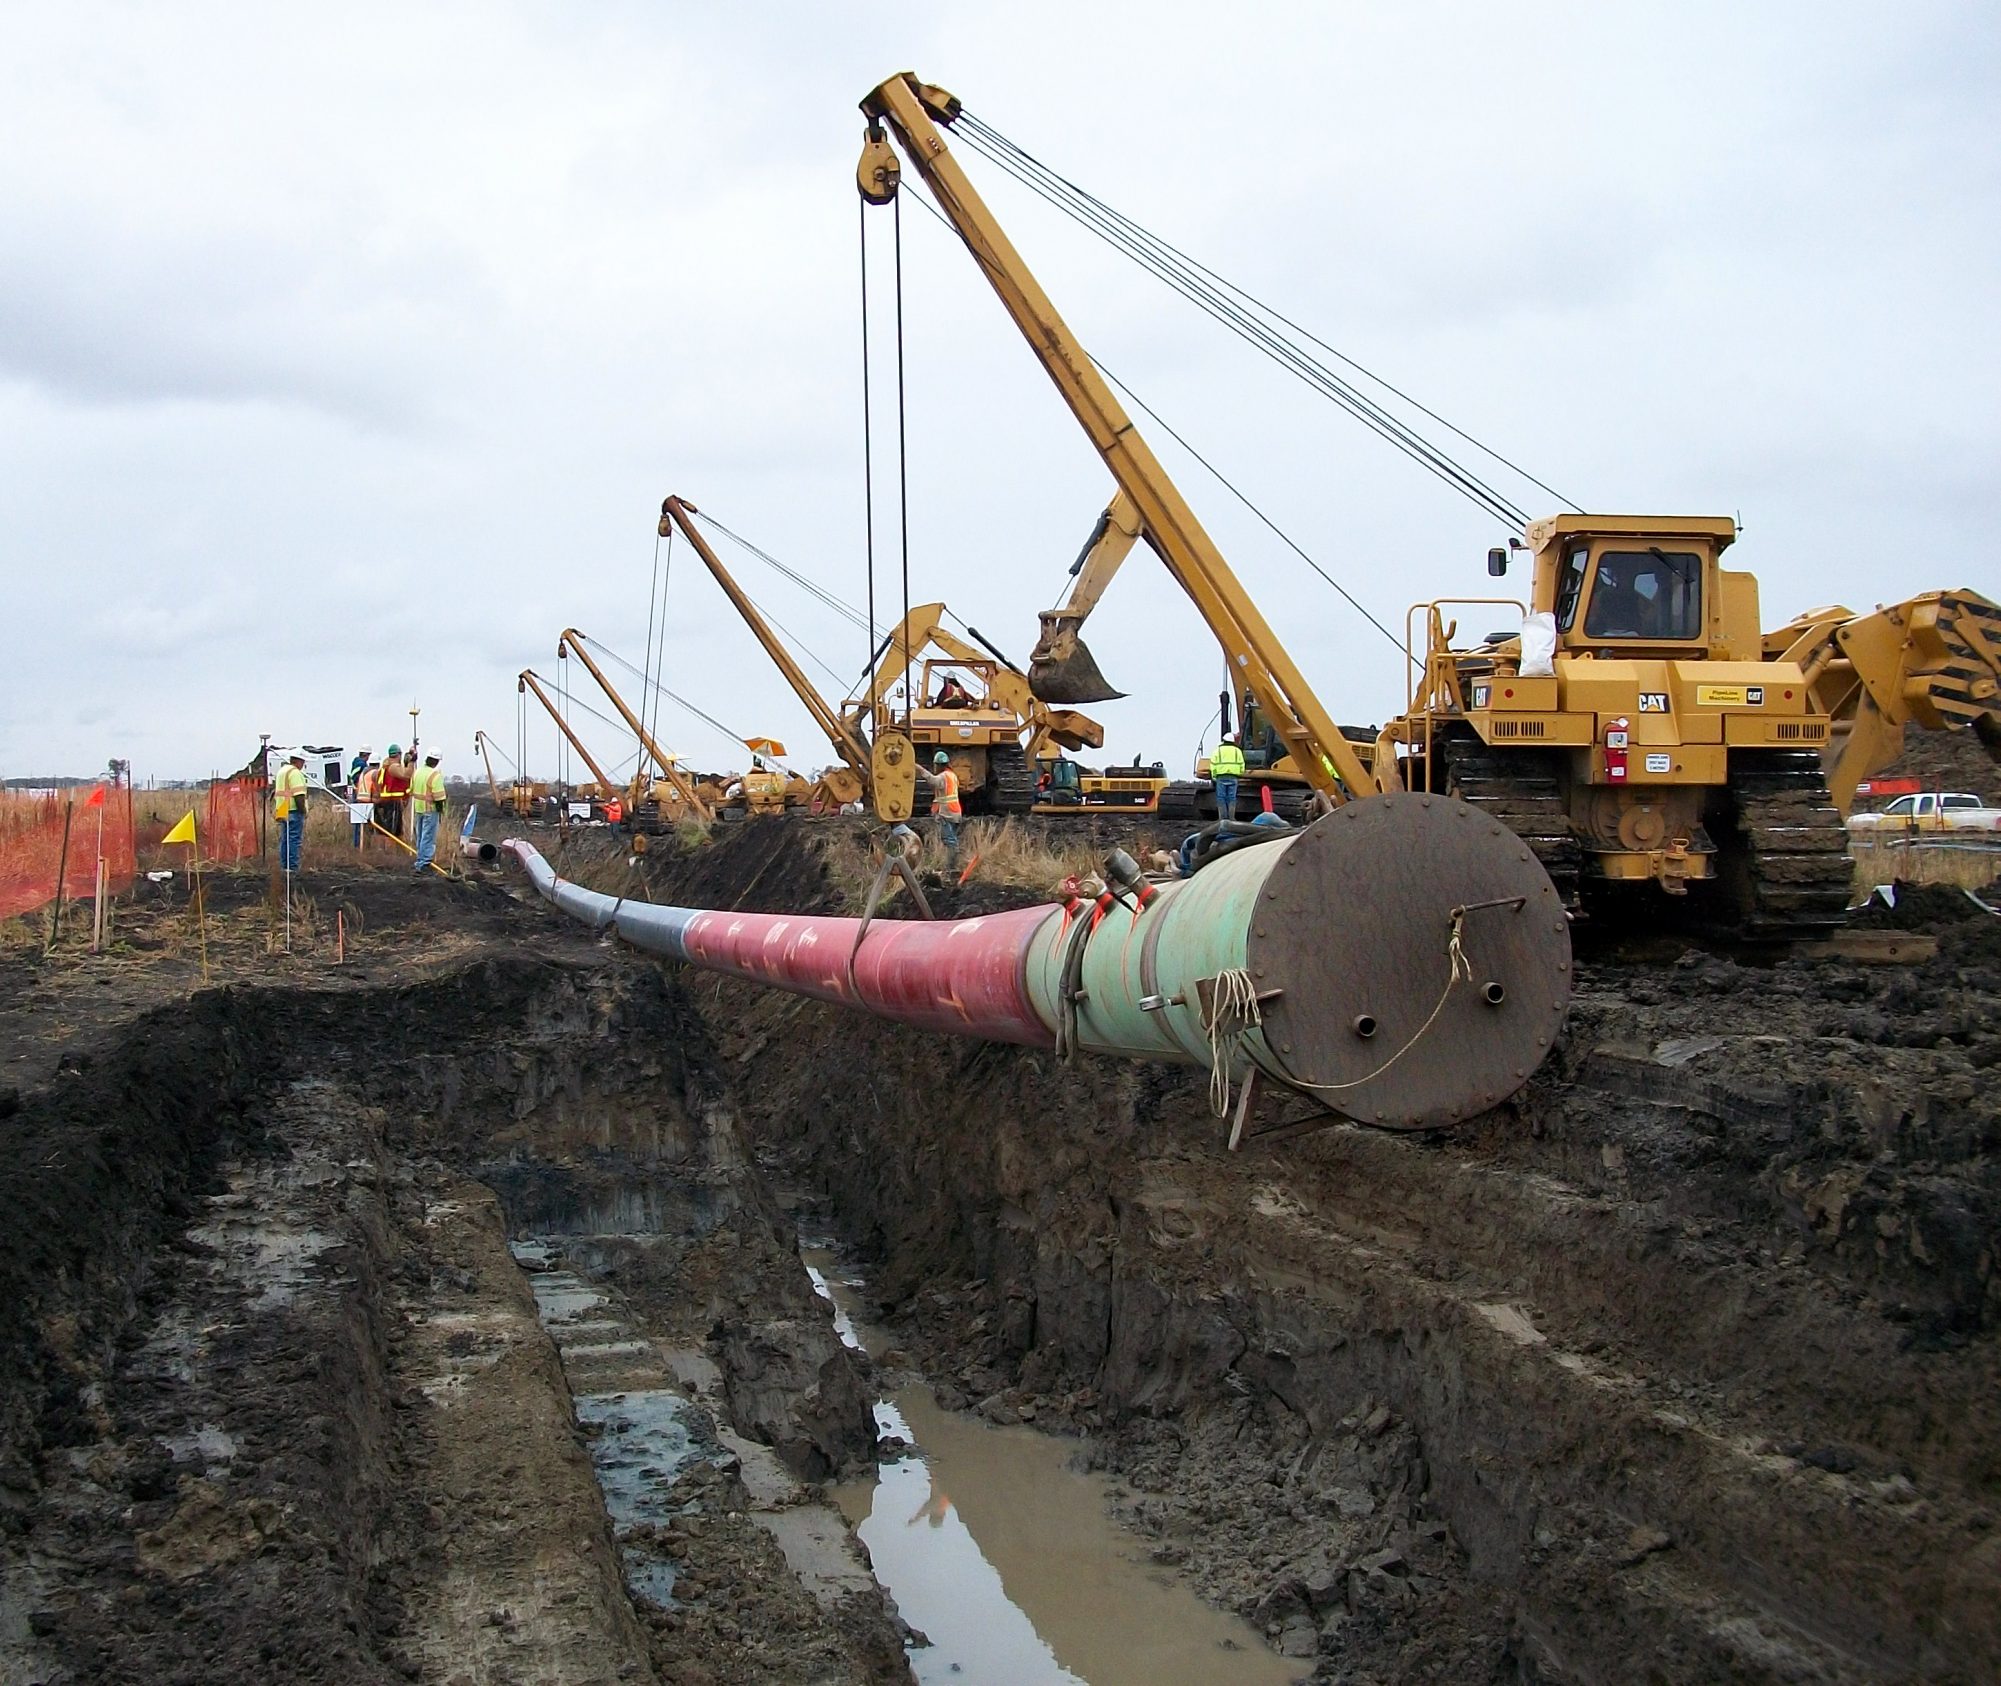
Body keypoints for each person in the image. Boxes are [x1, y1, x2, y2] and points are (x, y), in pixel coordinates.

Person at [921, 750, 962, 868]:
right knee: (952, 838)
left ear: (939, 765)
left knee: (949, 840)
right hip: (955, 812)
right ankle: (951, 863)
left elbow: (934, 781)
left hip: (946, 812)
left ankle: (951, 866)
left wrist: (921, 770)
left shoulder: (943, 776)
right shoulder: (952, 775)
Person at [410, 749, 447, 873]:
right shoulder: (435, 775)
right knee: (428, 837)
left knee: (420, 836)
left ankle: (420, 861)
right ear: (436, 761)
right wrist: (441, 811)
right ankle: (424, 863)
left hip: (418, 809)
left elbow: (411, 790)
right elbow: (439, 797)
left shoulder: (417, 772)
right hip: (430, 810)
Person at [274, 751, 309, 872]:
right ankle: (292, 867)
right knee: (294, 840)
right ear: (299, 761)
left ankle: (285, 866)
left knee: (285, 839)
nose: (303, 765)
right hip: (293, 810)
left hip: (282, 809)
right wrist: (303, 811)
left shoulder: (282, 771)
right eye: (303, 762)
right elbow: (299, 795)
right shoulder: (295, 773)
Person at [1209, 733, 1247, 822]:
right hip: (1233, 776)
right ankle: (1231, 818)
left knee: (1221, 797)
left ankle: (1222, 818)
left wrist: (1214, 776)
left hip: (1221, 776)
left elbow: (1213, 765)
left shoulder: (1217, 751)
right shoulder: (1237, 751)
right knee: (1232, 797)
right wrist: (1240, 773)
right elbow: (1242, 763)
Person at [376, 742, 410, 837]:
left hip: (385, 800)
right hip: (393, 800)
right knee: (393, 829)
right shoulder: (394, 767)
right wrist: (410, 763)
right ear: (398, 755)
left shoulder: (384, 768)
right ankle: (391, 849)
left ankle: (388, 848)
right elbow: (406, 776)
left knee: (388, 827)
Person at [351, 757, 379, 849]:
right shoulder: (373, 773)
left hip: (359, 798)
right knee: (368, 827)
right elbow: (375, 790)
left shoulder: (364, 772)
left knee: (359, 826)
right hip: (367, 801)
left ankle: (358, 847)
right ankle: (366, 847)